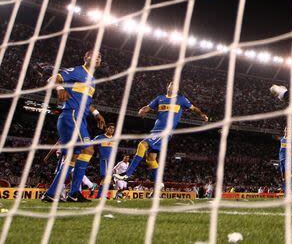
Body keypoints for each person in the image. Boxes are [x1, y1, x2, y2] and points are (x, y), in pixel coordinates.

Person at [114, 81, 208, 185]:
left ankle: (127, 174)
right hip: (156, 130)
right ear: (167, 86)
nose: (173, 86)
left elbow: (194, 108)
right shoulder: (160, 98)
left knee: (142, 145)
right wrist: (142, 110)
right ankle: (159, 183)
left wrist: (202, 115)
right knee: (150, 159)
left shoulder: (181, 99)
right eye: (171, 84)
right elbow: (148, 107)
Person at [42, 51, 106, 203]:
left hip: (80, 118)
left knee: (75, 154)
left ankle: (63, 193)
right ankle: (69, 192)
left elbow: (87, 102)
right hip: (71, 115)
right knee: (87, 149)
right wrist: (60, 88)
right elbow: (53, 78)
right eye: (94, 55)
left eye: (100, 57)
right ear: (85, 58)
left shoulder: (93, 81)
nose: (97, 58)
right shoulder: (77, 71)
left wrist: (96, 114)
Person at [92, 123, 117, 197]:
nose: (112, 130)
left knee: (107, 178)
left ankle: (100, 195)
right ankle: (101, 195)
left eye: (113, 128)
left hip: (111, 161)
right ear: (106, 129)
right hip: (104, 159)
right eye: (110, 128)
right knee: (106, 177)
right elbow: (91, 143)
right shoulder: (100, 137)